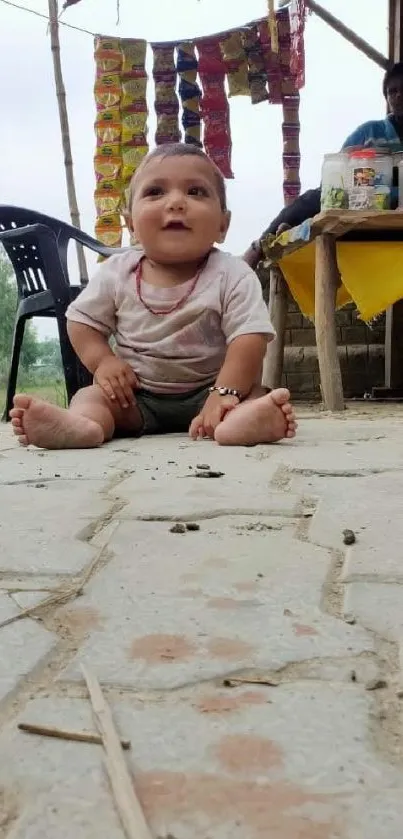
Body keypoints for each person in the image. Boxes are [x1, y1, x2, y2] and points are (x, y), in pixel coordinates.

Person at [10, 143, 297, 450]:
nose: (175, 202)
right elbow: (81, 322)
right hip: (134, 396)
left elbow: (249, 339)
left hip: (211, 391)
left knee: (253, 395)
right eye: (155, 192)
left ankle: (247, 424)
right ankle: (84, 426)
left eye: (196, 192)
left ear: (222, 225)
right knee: (91, 396)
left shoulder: (234, 273)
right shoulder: (117, 272)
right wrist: (103, 362)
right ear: (131, 223)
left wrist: (225, 392)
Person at [243, 61, 403, 269]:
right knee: (317, 197)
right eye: (392, 91)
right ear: (387, 98)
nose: (398, 96)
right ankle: (259, 246)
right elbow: (335, 176)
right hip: (363, 205)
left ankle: (295, 233)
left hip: (397, 218)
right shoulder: (370, 132)